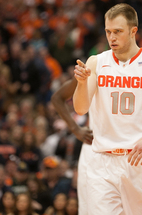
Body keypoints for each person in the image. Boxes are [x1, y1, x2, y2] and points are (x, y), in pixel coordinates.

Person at [73, 3, 142, 215]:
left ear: (133, 31)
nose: (111, 37)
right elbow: (80, 108)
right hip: (102, 163)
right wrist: (80, 83)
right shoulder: (97, 62)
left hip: (141, 160)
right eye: (108, 32)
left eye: (117, 32)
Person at [51, 77, 93, 215]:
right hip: (95, 154)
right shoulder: (93, 68)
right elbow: (57, 98)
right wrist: (76, 129)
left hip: (130, 153)